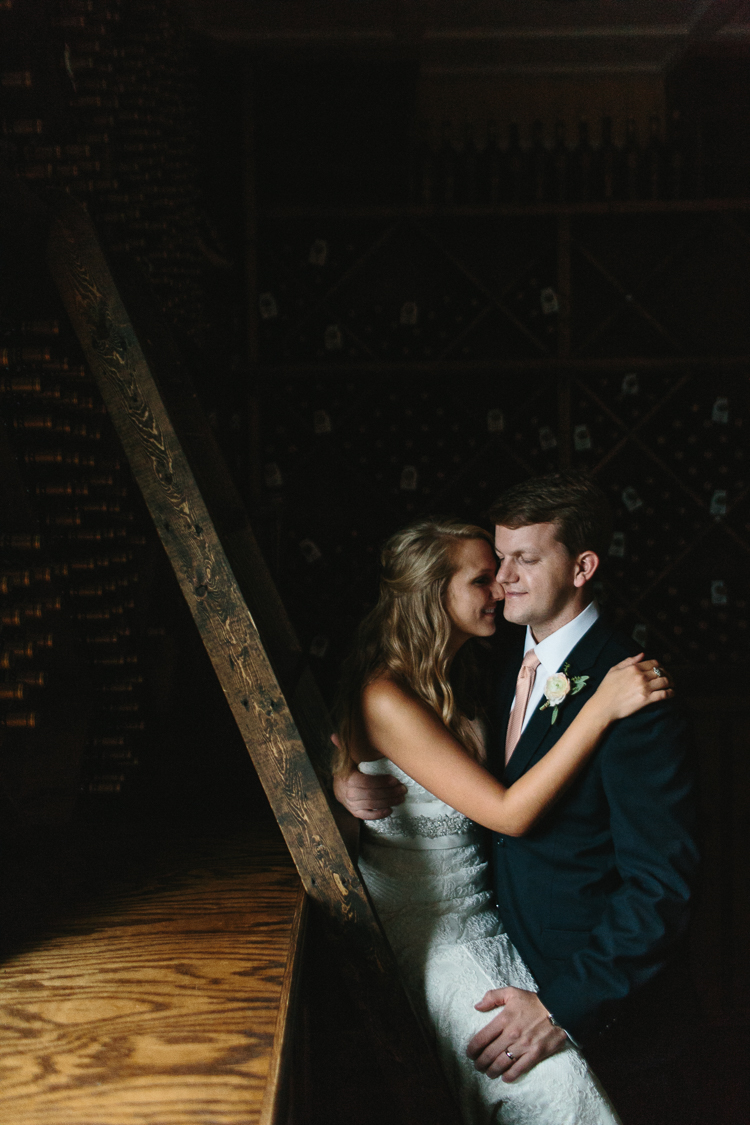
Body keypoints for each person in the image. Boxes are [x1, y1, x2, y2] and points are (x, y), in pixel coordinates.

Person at [332, 503, 678, 1125]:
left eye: (516, 565)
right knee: (561, 1101)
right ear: (430, 594)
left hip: (503, 933)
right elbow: (507, 815)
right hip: (437, 937)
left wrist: (341, 773)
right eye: (484, 576)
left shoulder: (474, 672)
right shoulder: (388, 694)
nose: (502, 587)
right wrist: (597, 709)